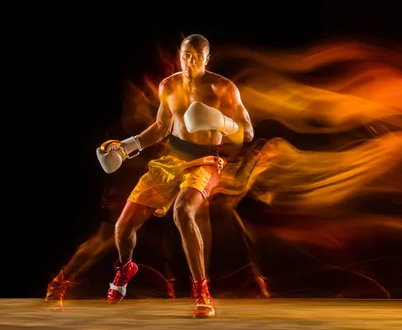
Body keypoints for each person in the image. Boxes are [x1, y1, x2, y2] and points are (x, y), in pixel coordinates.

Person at [96, 34, 254, 318]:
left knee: (183, 211)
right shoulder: (168, 86)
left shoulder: (222, 87)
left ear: (207, 58)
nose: (189, 61)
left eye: (196, 56)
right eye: (185, 55)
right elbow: (160, 127)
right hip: (170, 160)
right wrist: (127, 146)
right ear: (179, 55)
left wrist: (221, 121)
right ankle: (125, 269)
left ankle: (202, 292)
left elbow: (248, 132)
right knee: (123, 228)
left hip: (205, 160)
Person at [44, 141, 177, 310]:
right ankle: (60, 284)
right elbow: (138, 127)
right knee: (110, 235)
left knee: (164, 226)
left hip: (159, 172)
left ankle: (175, 283)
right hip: (133, 172)